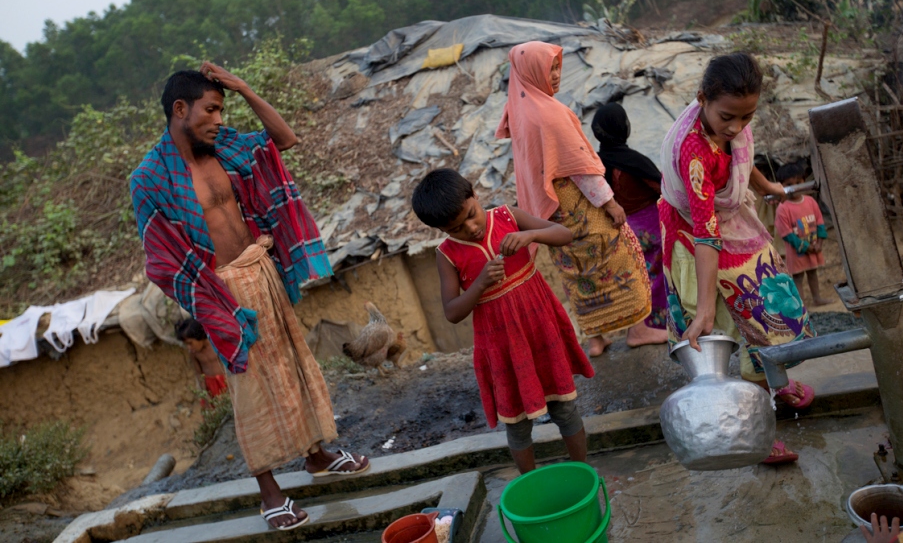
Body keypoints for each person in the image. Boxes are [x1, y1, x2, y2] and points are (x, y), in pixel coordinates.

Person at [130, 65, 369, 531]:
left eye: (223, 108)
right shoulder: (150, 178)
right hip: (220, 292)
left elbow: (285, 138)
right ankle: (269, 492)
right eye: (211, 109)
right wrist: (207, 298)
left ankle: (317, 454)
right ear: (180, 110)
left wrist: (242, 87)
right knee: (249, 386)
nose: (220, 118)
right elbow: (160, 256)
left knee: (294, 361)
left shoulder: (226, 148)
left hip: (262, 270)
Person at [658, 52, 816, 464]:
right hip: (698, 239)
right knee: (732, 327)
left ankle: (775, 380)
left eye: (746, 117)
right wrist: (705, 307)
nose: (736, 127)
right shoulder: (694, 154)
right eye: (727, 117)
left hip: (735, 221)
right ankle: (754, 427)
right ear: (702, 99)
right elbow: (706, 233)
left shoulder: (734, 121)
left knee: (766, 315)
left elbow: (744, 157)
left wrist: (770, 186)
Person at [412, 168, 595, 475]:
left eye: (471, 214)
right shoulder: (447, 255)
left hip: (539, 328)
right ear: (442, 231)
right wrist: (479, 284)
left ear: (475, 195)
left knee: (564, 407)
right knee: (518, 423)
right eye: (456, 228)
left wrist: (531, 234)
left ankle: (584, 473)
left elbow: (564, 235)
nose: (470, 228)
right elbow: (453, 312)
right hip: (502, 346)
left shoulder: (508, 217)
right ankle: (531, 487)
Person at [496, 41, 654, 357]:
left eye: (557, 67)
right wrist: (610, 203)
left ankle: (595, 339)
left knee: (576, 272)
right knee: (620, 255)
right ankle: (637, 329)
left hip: (551, 212)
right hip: (579, 204)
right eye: (548, 68)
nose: (555, 75)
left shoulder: (518, 111)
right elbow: (581, 168)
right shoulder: (551, 113)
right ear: (530, 71)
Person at [591, 102, 669, 333]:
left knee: (635, 279)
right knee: (658, 277)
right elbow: (662, 189)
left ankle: (639, 326)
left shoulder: (596, 165)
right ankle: (660, 324)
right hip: (651, 230)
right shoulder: (634, 161)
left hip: (621, 232)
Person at [774, 162, 834, 307]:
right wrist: (805, 247)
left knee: (813, 272)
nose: (794, 188)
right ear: (781, 186)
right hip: (797, 250)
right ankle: (801, 304)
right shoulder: (783, 208)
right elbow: (786, 233)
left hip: (814, 246)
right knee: (798, 276)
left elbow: (820, 222)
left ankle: (817, 298)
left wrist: (819, 243)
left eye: (798, 183)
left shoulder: (810, 201)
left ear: (804, 182)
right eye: (789, 184)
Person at [175, 317, 227, 407]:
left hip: (225, 383)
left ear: (199, 336)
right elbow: (199, 374)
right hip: (210, 387)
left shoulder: (216, 344)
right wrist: (206, 395)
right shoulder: (194, 353)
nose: (189, 347)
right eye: (186, 344)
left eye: (190, 343)